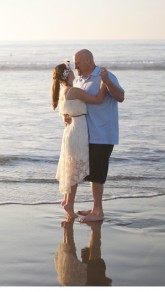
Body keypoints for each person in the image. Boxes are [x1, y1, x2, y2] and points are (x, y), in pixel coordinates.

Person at [71, 49, 125, 223]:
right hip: (87, 134)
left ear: (88, 60)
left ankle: (99, 212)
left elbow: (121, 97)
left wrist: (107, 80)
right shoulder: (80, 80)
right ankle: (94, 208)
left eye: (77, 62)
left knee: (97, 174)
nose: (75, 65)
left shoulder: (103, 75)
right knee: (91, 173)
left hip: (103, 133)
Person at [52, 62, 106, 220]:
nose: (75, 71)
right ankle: (69, 204)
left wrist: (65, 116)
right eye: (71, 70)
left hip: (71, 131)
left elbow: (65, 110)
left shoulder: (63, 91)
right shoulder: (74, 90)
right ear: (67, 75)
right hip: (78, 131)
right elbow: (97, 100)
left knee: (71, 167)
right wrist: (104, 83)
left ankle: (67, 200)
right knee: (74, 169)